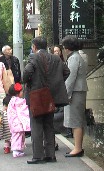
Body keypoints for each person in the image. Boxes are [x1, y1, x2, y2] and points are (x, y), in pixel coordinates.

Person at [23, 36, 70, 164]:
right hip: (51, 96)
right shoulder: (55, 58)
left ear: (34, 47)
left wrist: (29, 83)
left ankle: (38, 156)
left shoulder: (33, 57)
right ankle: (51, 155)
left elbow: (26, 73)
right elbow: (66, 72)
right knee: (49, 125)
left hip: (36, 96)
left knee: (37, 125)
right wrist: (56, 84)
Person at [61, 36, 89, 158]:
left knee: (76, 120)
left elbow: (70, 79)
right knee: (78, 119)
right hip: (79, 90)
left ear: (67, 47)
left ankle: (77, 148)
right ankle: (78, 147)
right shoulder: (78, 56)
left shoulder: (74, 58)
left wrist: (66, 95)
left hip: (75, 91)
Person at [7, 85, 30, 158]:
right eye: (21, 91)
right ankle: (16, 151)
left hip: (13, 121)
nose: (23, 93)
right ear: (18, 93)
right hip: (17, 122)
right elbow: (24, 107)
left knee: (16, 136)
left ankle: (18, 150)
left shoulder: (12, 100)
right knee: (18, 136)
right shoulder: (18, 101)